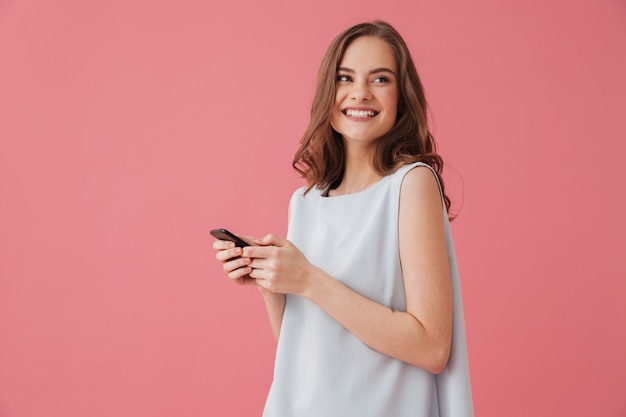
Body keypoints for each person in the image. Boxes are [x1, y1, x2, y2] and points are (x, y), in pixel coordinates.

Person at [213, 21, 473, 417]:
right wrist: (272, 283)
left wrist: (308, 279)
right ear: (327, 93)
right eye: (345, 77)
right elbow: (304, 349)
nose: (360, 93)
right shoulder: (304, 201)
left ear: (402, 97)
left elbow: (432, 347)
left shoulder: (411, 184)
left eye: (380, 79)